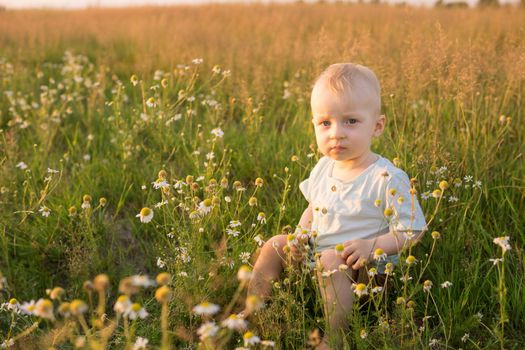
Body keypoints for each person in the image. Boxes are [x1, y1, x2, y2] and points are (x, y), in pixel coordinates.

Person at [246, 63, 428, 349]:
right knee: (274, 245)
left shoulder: (386, 177)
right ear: (314, 126)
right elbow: (313, 208)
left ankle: (337, 336)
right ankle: (252, 310)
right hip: (317, 261)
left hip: (366, 273)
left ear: (377, 126)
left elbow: (413, 230)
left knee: (331, 261)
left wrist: (373, 246)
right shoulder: (323, 167)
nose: (336, 133)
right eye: (325, 123)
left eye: (351, 122)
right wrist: (300, 234)